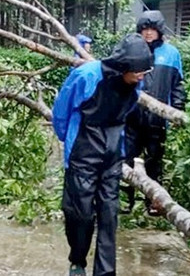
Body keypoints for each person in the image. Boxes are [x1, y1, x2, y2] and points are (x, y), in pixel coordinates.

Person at [52, 34, 153, 276]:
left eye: (145, 72)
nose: (142, 77)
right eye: (139, 71)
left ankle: (105, 272)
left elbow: (127, 109)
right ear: (124, 66)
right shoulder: (87, 75)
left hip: (112, 153)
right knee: (81, 213)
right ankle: (77, 261)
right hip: (83, 151)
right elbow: (61, 111)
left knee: (109, 214)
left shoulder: (135, 83)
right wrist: (69, 140)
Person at [122, 10, 185, 216]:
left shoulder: (171, 54)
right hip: (131, 116)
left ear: (159, 31)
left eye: (152, 29)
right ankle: (126, 201)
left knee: (154, 160)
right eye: (144, 29)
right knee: (126, 158)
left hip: (157, 119)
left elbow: (178, 86)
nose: (148, 33)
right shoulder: (132, 50)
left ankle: (154, 202)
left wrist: (177, 110)